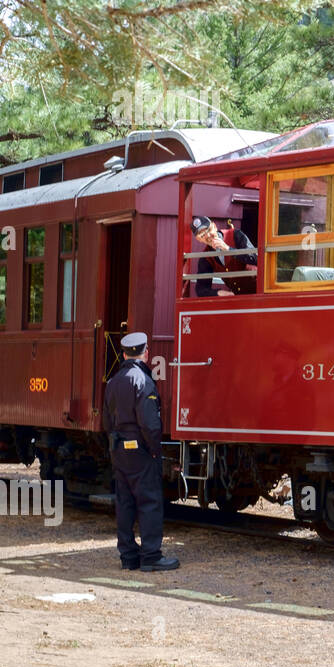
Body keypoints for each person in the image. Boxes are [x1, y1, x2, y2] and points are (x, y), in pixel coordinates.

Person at [102, 332, 178, 572]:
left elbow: (106, 420)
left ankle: (128, 556)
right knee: (149, 501)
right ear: (146, 354)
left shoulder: (113, 382)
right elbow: (149, 423)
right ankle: (151, 556)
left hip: (119, 448)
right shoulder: (143, 382)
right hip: (141, 450)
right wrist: (155, 450)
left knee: (124, 502)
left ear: (124, 354)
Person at [191, 215, 257, 297]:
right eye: (202, 235)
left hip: (260, 291)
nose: (207, 236)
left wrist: (228, 249)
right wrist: (218, 293)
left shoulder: (235, 234)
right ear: (199, 240)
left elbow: (256, 258)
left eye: (208, 230)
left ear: (214, 226)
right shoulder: (206, 258)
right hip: (239, 298)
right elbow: (201, 290)